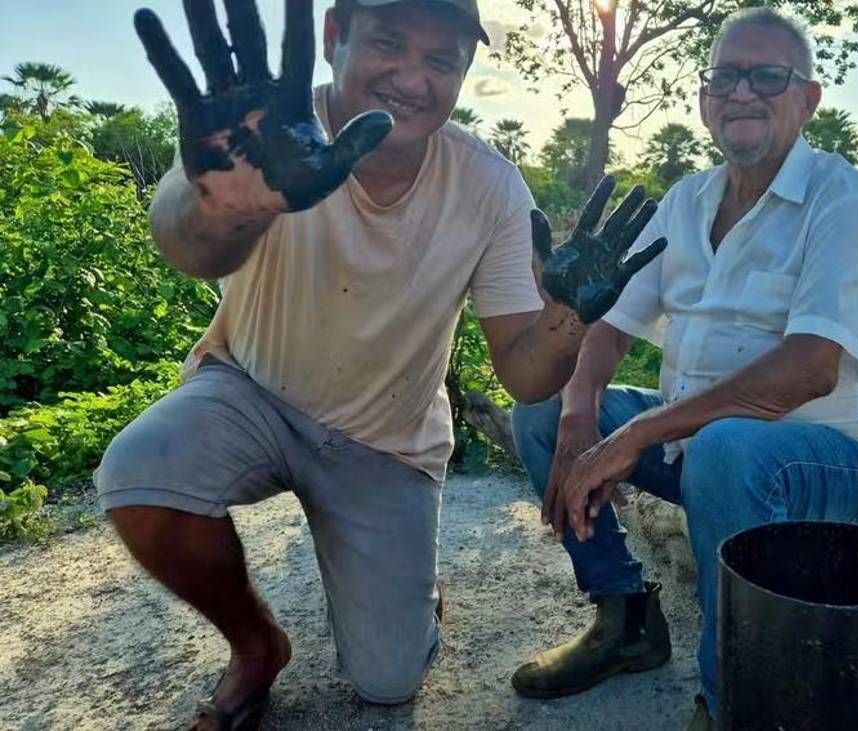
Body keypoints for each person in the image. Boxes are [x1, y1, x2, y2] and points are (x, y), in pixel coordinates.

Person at [93, 0, 663, 728]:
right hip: (249, 390)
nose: (413, 78)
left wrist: (567, 321)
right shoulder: (267, 131)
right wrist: (233, 203)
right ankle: (256, 645)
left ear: (463, 73)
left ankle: (408, 592)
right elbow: (187, 246)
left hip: (387, 442)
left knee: (387, 681)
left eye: (442, 60)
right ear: (334, 36)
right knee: (141, 470)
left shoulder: (489, 185)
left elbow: (525, 376)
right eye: (389, 44)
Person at [508, 7, 858, 729]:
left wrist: (634, 434)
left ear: (807, 99)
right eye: (725, 76)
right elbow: (612, 324)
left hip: (829, 457)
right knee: (541, 405)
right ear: (703, 96)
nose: (741, 93)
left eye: (768, 77)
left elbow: (810, 370)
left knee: (725, 447)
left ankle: (735, 705)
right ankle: (624, 617)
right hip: (701, 450)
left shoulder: (839, 199)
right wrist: (578, 415)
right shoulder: (687, 201)